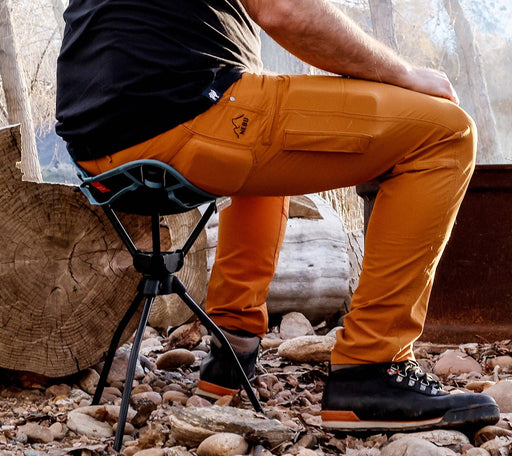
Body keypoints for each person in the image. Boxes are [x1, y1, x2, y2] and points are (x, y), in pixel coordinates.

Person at [56, 0, 499, 432]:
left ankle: (233, 346)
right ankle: (372, 365)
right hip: (181, 114)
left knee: (266, 125)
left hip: (95, 142)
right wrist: (403, 74)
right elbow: (285, 9)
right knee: (446, 132)